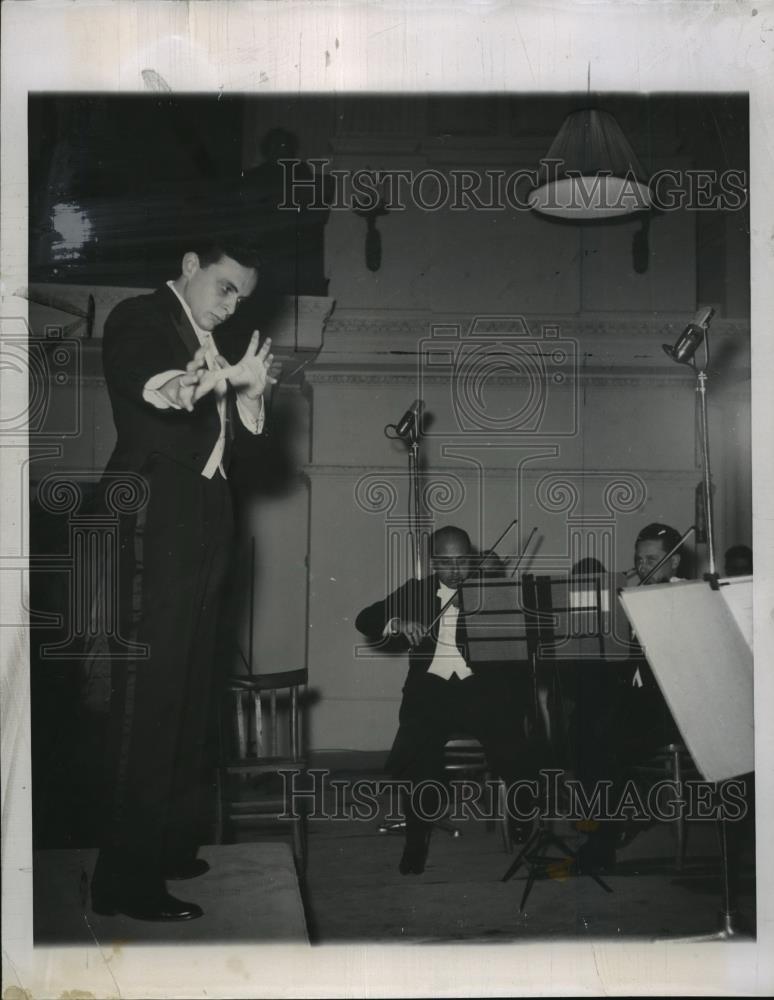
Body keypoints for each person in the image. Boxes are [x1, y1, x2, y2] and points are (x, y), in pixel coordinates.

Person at [89, 236, 278, 922]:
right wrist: (220, 380)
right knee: (149, 701)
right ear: (192, 266)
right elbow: (162, 392)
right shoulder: (140, 318)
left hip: (203, 520)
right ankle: (122, 880)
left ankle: (166, 845)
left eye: (243, 298)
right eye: (225, 287)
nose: (231, 307)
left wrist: (251, 395)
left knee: (192, 690)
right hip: (151, 519)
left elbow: (246, 448)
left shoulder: (218, 346)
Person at [356, 526, 536, 875]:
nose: (455, 571)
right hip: (430, 694)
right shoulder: (417, 591)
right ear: (433, 562)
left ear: (473, 559)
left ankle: (520, 811)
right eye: (446, 562)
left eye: (462, 562)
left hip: (480, 693)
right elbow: (366, 619)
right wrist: (398, 622)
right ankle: (415, 839)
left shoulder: (489, 592)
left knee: (513, 744)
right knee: (416, 753)